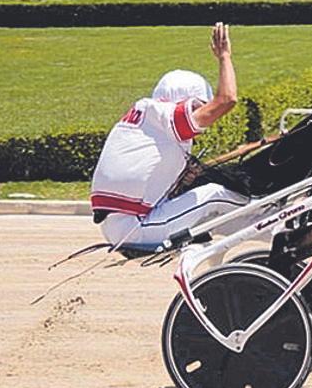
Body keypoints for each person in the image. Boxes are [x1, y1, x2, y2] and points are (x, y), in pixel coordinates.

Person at [89, 22, 249, 251]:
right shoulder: (164, 116)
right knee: (215, 194)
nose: (201, 111)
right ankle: (277, 221)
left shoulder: (147, 119)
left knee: (218, 211)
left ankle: (273, 235)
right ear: (182, 100)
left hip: (123, 223)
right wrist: (224, 56)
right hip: (135, 228)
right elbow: (226, 100)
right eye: (198, 104)